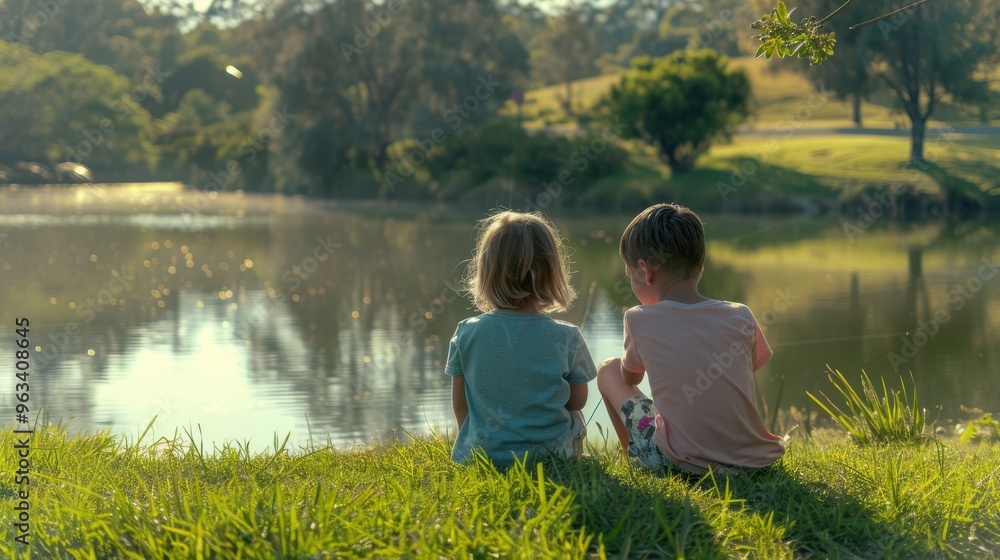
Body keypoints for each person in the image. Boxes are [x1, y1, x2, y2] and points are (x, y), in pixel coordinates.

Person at [597, 203, 785, 474]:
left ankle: (635, 458)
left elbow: (630, 379)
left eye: (629, 274)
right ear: (701, 267)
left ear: (644, 271)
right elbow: (747, 367)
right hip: (752, 460)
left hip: (679, 462)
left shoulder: (638, 318)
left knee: (608, 369)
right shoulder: (741, 315)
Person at [446, 210, 597, 467]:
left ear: (486, 271)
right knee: (576, 416)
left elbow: (461, 405)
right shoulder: (567, 336)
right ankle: (572, 454)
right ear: (551, 273)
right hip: (553, 458)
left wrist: (475, 442)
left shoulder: (466, 333)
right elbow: (577, 401)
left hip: (481, 455)